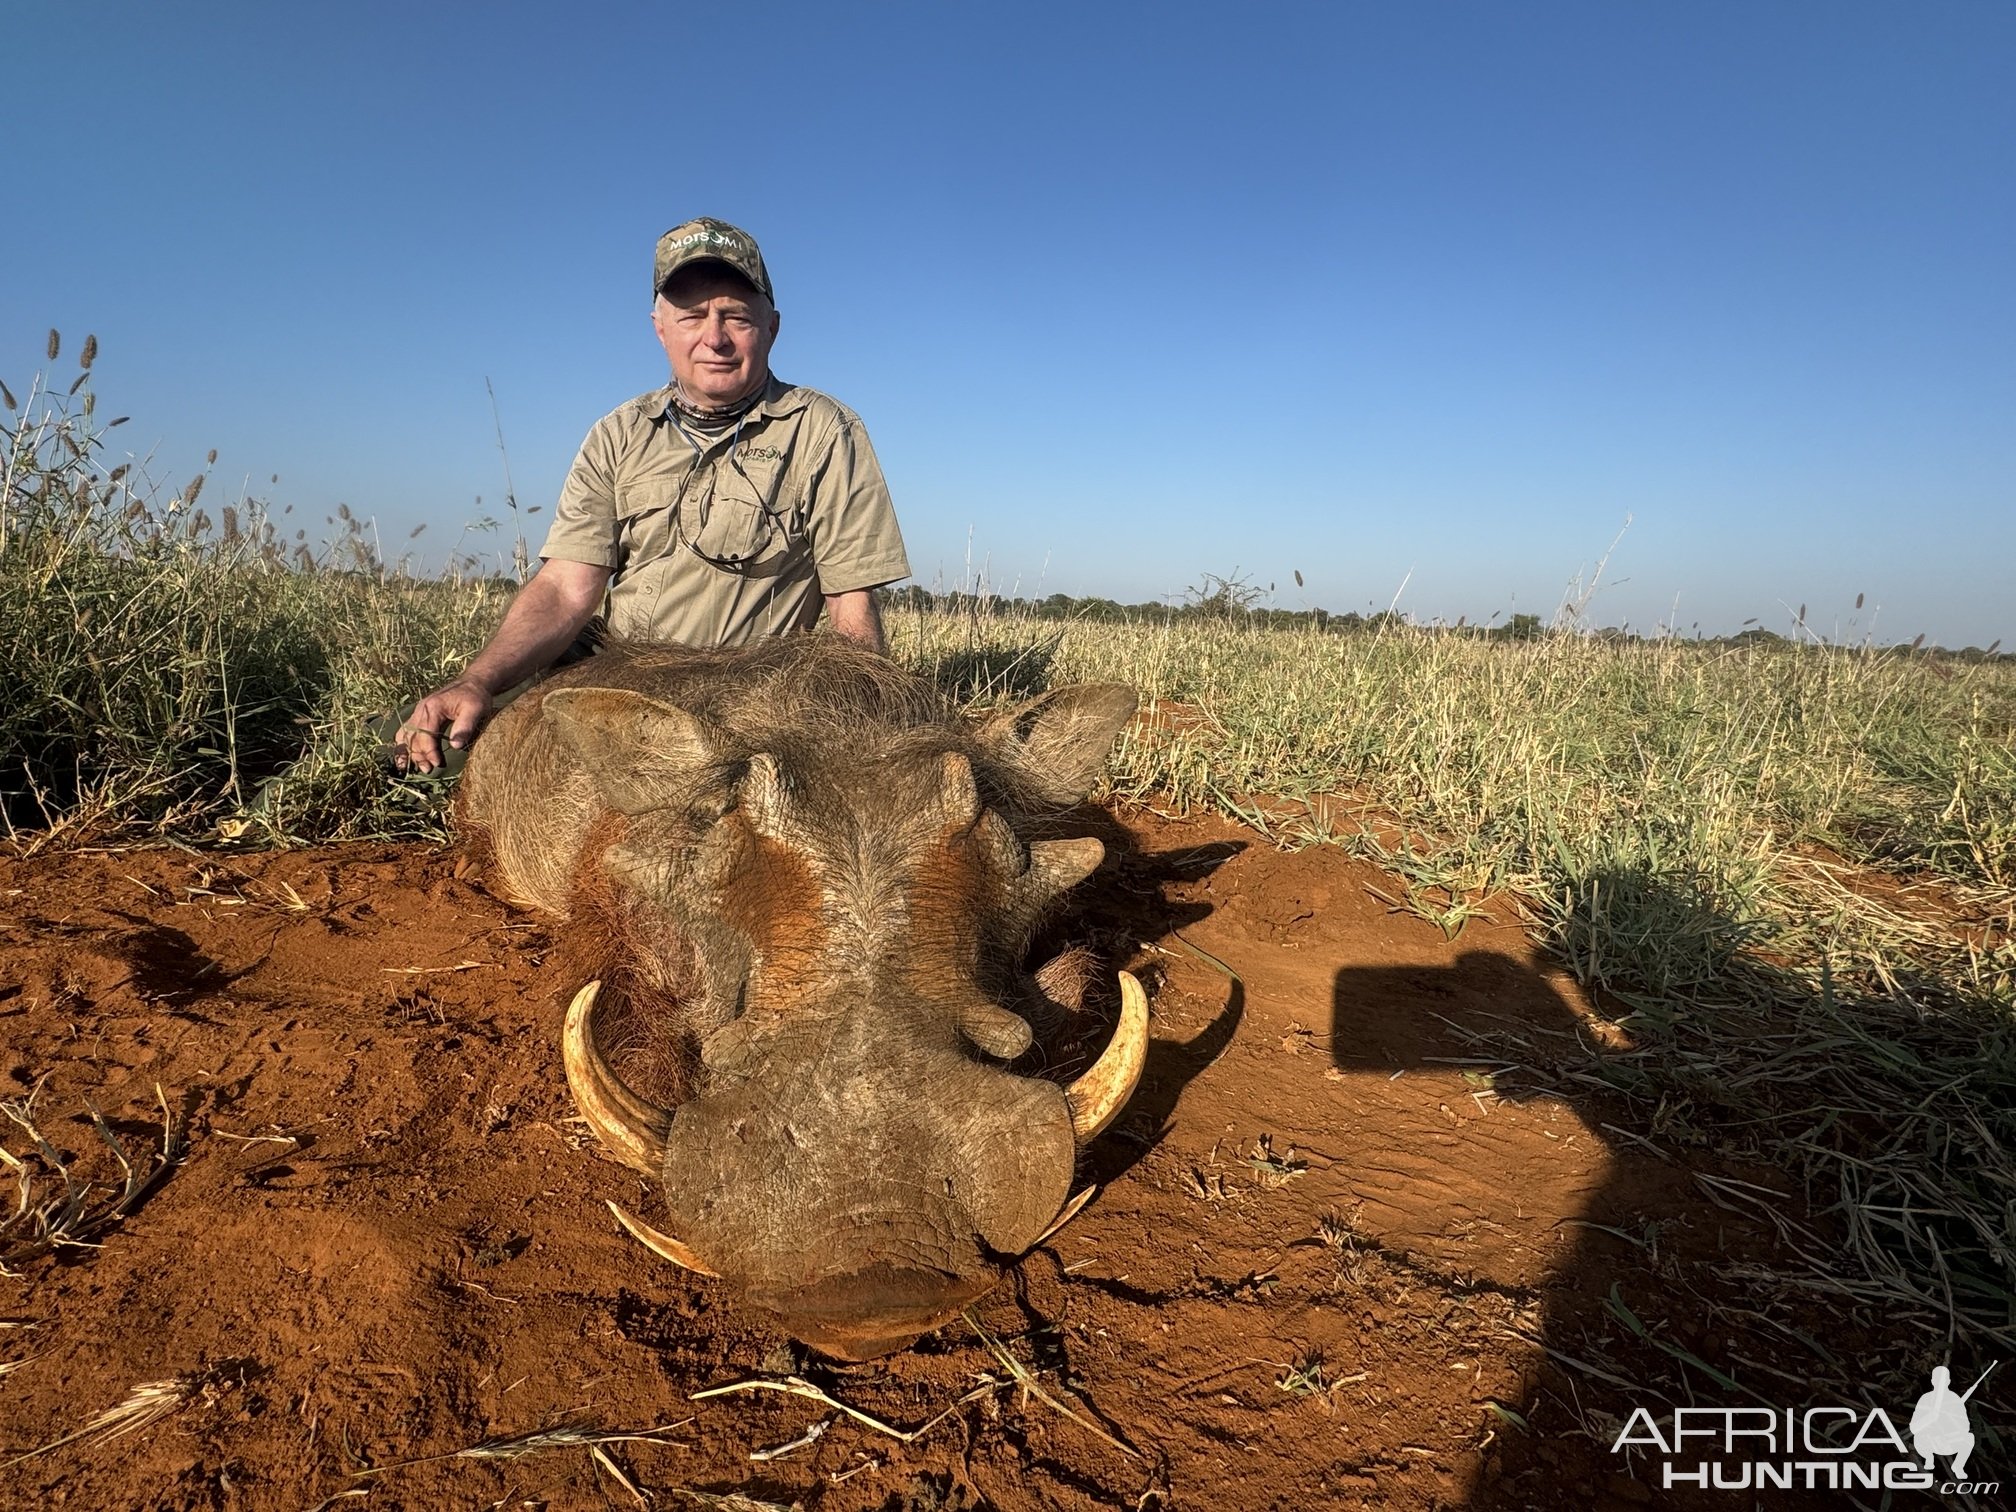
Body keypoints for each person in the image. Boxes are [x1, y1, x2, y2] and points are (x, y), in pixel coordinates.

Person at [393, 216, 910, 774]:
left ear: (772, 327)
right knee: (417, 743)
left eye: (735, 316)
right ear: (660, 328)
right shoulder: (618, 433)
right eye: (691, 317)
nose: (714, 338)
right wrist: (477, 680)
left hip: (749, 703)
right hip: (619, 685)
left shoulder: (824, 430)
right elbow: (567, 587)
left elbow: (851, 605)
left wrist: (865, 728)